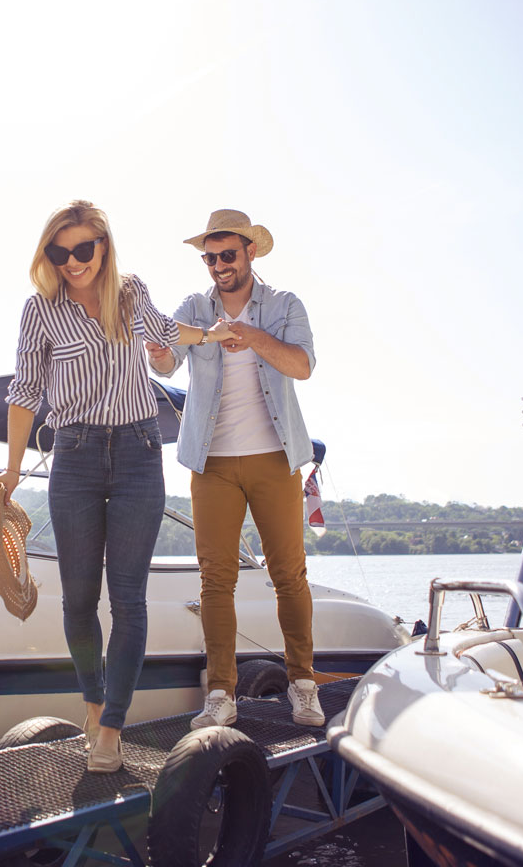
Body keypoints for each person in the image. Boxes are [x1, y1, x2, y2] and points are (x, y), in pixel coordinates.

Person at [0, 200, 234, 773]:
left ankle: (111, 727)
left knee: (127, 600)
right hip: (72, 456)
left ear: (103, 244)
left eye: (83, 249)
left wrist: (213, 334)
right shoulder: (40, 311)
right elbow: (25, 390)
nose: (73, 262)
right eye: (60, 251)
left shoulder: (129, 293)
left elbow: (167, 333)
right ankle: (94, 702)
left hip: (137, 453)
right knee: (78, 599)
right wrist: (9, 467)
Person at [145, 209, 326, 729]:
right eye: (210, 256)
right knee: (215, 579)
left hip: (275, 458)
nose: (219, 265)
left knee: (289, 575)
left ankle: (304, 685)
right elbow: (166, 361)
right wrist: (160, 353)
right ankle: (220, 694)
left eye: (228, 254)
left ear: (250, 253)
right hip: (212, 463)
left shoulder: (285, 305)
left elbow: (303, 365)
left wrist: (250, 336)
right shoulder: (194, 308)